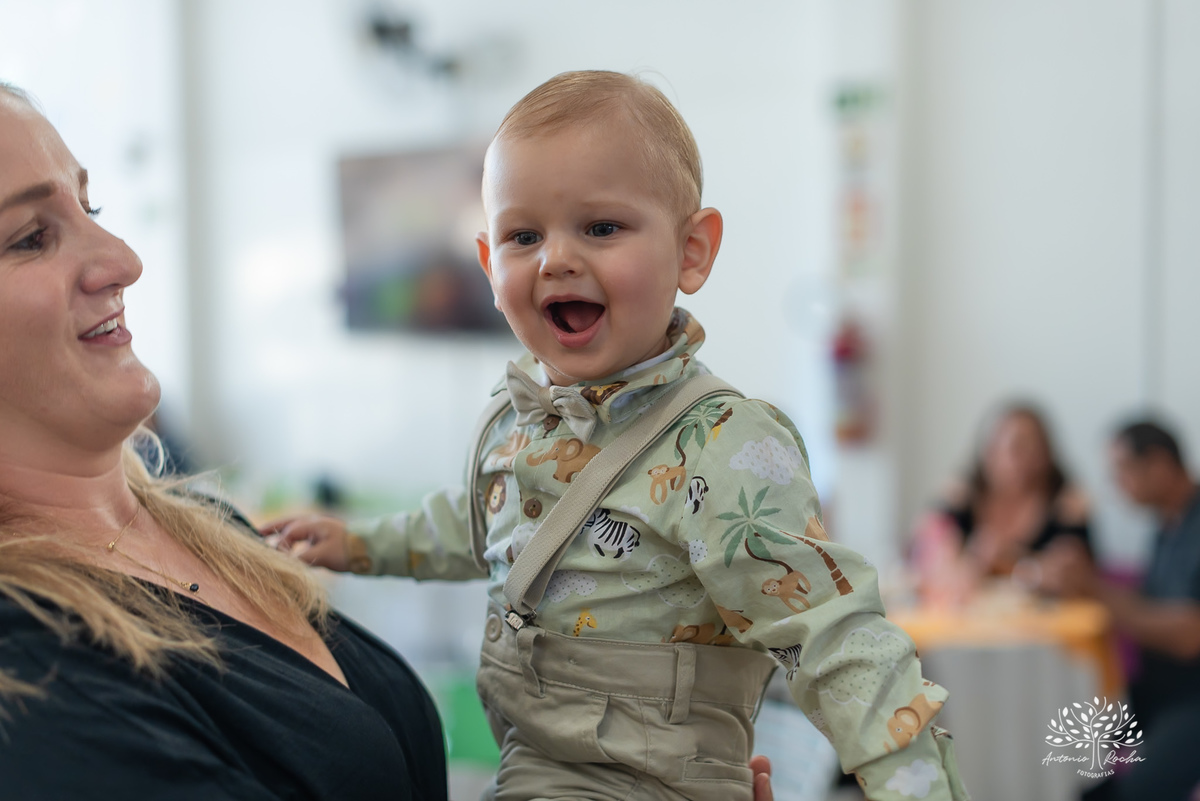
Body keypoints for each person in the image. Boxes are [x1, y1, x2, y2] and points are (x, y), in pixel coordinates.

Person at [271, 70, 967, 801]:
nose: (557, 258)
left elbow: (835, 640)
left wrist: (915, 785)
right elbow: (476, 525)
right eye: (523, 235)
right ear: (488, 265)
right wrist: (357, 543)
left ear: (692, 250)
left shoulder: (721, 444)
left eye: (601, 227)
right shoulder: (518, 422)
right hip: (537, 757)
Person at [0, 83, 450, 799]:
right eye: (29, 237)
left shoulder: (213, 525)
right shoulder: (26, 672)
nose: (122, 258)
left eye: (91, 209)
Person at [1041, 420, 1200, 801]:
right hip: (1157, 691)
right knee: (1061, 751)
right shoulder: (1169, 525)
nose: (1116, 485)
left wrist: (1092, 586)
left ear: (1159, 466)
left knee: (1127, 790)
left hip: (1190, 701)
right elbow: (1146, 606)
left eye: (1122, 471)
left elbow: (1188, 636)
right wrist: (1086, 583)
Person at [910, 403, 1092, 603]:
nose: (1019, 458)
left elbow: (1073, 578)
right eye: (1008, 445)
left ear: (1046, 453)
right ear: (987, 450)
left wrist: (1010, 563)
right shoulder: (958, 494)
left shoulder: (1069, 504)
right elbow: (925, 553)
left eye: (1029, 447)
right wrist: (966, 559)